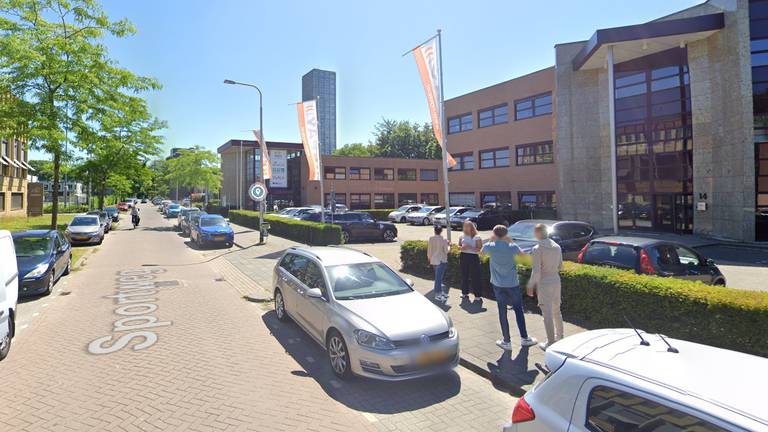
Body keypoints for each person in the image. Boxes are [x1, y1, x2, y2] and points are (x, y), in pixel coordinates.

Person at [481, 224, 536, 350]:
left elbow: (482, 254)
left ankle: (507, 341)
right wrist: (510, 241)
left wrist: (491, 240)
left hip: (498, 284)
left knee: (502, 311)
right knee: (518, 310)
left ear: (494, 234)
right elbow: (525, 259)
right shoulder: (513, 247)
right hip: (512, 283)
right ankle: (524, 338)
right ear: (506, 234)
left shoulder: (489, 246)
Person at [526, 223, 564, 350]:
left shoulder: (537, 249)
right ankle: (560, 338)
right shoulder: (557, 246)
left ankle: (550, 342)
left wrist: (530, 285)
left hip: (544, 282)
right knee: (557, 311)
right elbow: (560, 266)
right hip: (556, 280)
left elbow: (536, 271)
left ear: (537, 234)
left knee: (546, 314)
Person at [458, 220, 483, 301]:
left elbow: (480, 250)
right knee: (464, 275)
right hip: (463, 256)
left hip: (473, 257)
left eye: (467, 226)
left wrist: (470, 247)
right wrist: (461, 248)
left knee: (475, 276)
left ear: (471, 227)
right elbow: (459, 246)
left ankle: (477, 295)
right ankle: (464, 293)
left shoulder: (477, 237)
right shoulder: (462, 236)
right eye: (464, 226)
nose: (465, 228)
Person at [427, 225, 450, 302]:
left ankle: (440, 292)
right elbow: (446, 251)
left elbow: (429, 250)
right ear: (441, 231)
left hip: (434, 260)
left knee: (438, 278)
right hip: (441, 260)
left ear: (434, 230)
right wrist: (449, 246)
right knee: (438, 278)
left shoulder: (431, 238)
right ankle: (438, 294)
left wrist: (429, 259)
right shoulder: (444, 240)